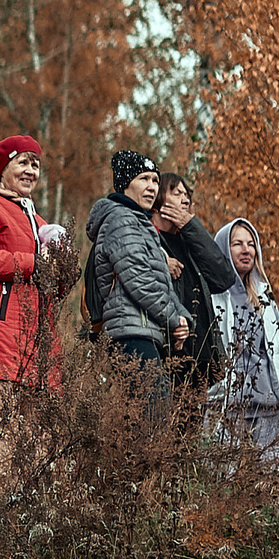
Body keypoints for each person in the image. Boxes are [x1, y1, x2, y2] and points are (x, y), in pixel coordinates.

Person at [0, 134, 70, 495]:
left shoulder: (37, 220)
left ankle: (19, 522)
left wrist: (64, 268)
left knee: (38, 444)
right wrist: (35, 262)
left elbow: (51, 284)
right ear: (2, 168)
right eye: (23, 162)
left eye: (36, 164)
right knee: (1, 433)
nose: (31, 170)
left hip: (37, 343)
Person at [86, 151, 190, 404]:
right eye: (144, 179)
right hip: (130, 333)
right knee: (153, 415)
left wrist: (182, 316)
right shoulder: (121, 219)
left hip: (142, 329)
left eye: (155, 180)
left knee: (148, 416)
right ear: (125, 184)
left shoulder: (139, 223)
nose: (152, 187)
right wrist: (173, 318)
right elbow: (139, 280)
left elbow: (160, 282)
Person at [208, 217, 279, 470]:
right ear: (223, 249)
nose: (246, 250)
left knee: (275, 480)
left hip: (269, 406)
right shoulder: (212, 296)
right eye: (237, 244)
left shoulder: (263, 296)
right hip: (227, 408)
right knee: (223, 480)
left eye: (251, 244)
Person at [153, 174, 237, 388]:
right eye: (176, 193)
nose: (185, 200)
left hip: (201, 361)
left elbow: (224, 278)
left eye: (186, 195)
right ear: (158, 199)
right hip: (167, 357)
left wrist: (191, 227)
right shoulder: (149, 241)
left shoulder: (189, 240)